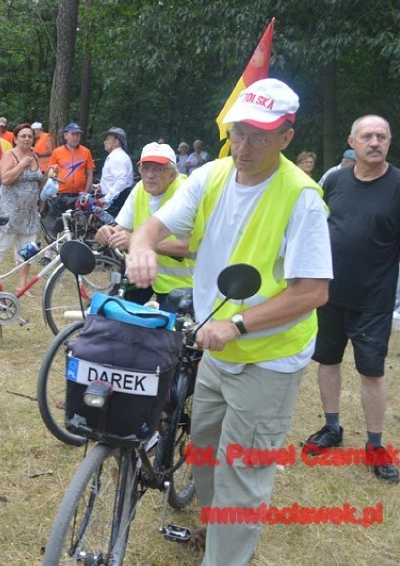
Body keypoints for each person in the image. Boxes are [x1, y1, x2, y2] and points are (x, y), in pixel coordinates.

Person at [126, 78, 331, 565]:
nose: (244, 147)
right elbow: (157, 225)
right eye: (239, 133)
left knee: (242, 470)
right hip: (216, 346)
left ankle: (226, 554)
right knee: (204, 449)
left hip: (268, 356)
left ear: (286, 137)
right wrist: (139, 246)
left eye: (259, 137)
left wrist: (237, 325)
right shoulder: (210, 177)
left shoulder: (301, 198)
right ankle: (218, 531)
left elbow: (313, 291)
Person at [303, 115, 400, 484]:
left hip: (373, 300)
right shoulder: (336, 180)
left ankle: (375, 445)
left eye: (381, 136)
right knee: (327, 362)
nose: (374, 142)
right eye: (367, 136)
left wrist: (372, 264)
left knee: (371, 373)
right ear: (353, 141)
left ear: (389, 143)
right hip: (329, 292)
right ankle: (332, 427)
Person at [95, 142, 192, 309]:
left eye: (158, 169)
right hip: (141, 273)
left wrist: (135, 241)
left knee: (171, 332)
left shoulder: (186, 192)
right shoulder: (140, 188)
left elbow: (191, 247)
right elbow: (121, 228)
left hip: (181, 282)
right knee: (117, 314)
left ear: (172, 174)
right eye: (145, 169)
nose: (150, 175)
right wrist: (107, 232)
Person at [0, 123, 46, 290]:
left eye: (29, 136)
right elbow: (5, 179)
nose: (27, 139)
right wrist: (21, 165)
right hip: (10, 210)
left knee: (28, 249)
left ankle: (22, 286)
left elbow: (38, 182)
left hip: (29, 212)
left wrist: (50, 175)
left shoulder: (34, 156)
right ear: (15, 139)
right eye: (23, 136)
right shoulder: (10, 155)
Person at [42, 122, 95, 264]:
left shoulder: (86, 152)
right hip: (60, 194)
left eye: (78, 135)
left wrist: (86, 192)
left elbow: (90, 173)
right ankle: (48, 255)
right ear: (66, 135)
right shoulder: (57, 152)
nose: (76, 138)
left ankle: (72, 256)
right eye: (73, 134)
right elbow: (51, 172)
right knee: (53, 225)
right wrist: (52, 188)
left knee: (76, 226)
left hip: (78, 195)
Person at [97, 126, 134, 218]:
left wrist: (106, 198)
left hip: (115, 202)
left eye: (108, 139)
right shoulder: (118, 156)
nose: (105, 142)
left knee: (110, 228)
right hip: (116, 199)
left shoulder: (117, 158)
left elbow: (120, 182)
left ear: (116, 142)